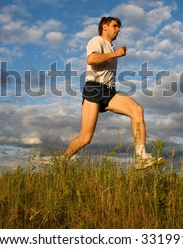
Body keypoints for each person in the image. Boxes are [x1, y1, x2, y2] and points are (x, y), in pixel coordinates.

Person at [64, 16, 165, 170]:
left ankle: (141, 157)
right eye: (115, 26)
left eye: (119, 27)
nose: (118, 29)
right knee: (85, 138)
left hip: (109, 91)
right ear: (105, 27)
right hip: (94, 89)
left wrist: (114, 53)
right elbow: (91, 59)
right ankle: (63, 161)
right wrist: (115, 54)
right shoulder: (96, 40)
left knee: (137, 110)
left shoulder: (111, 47)